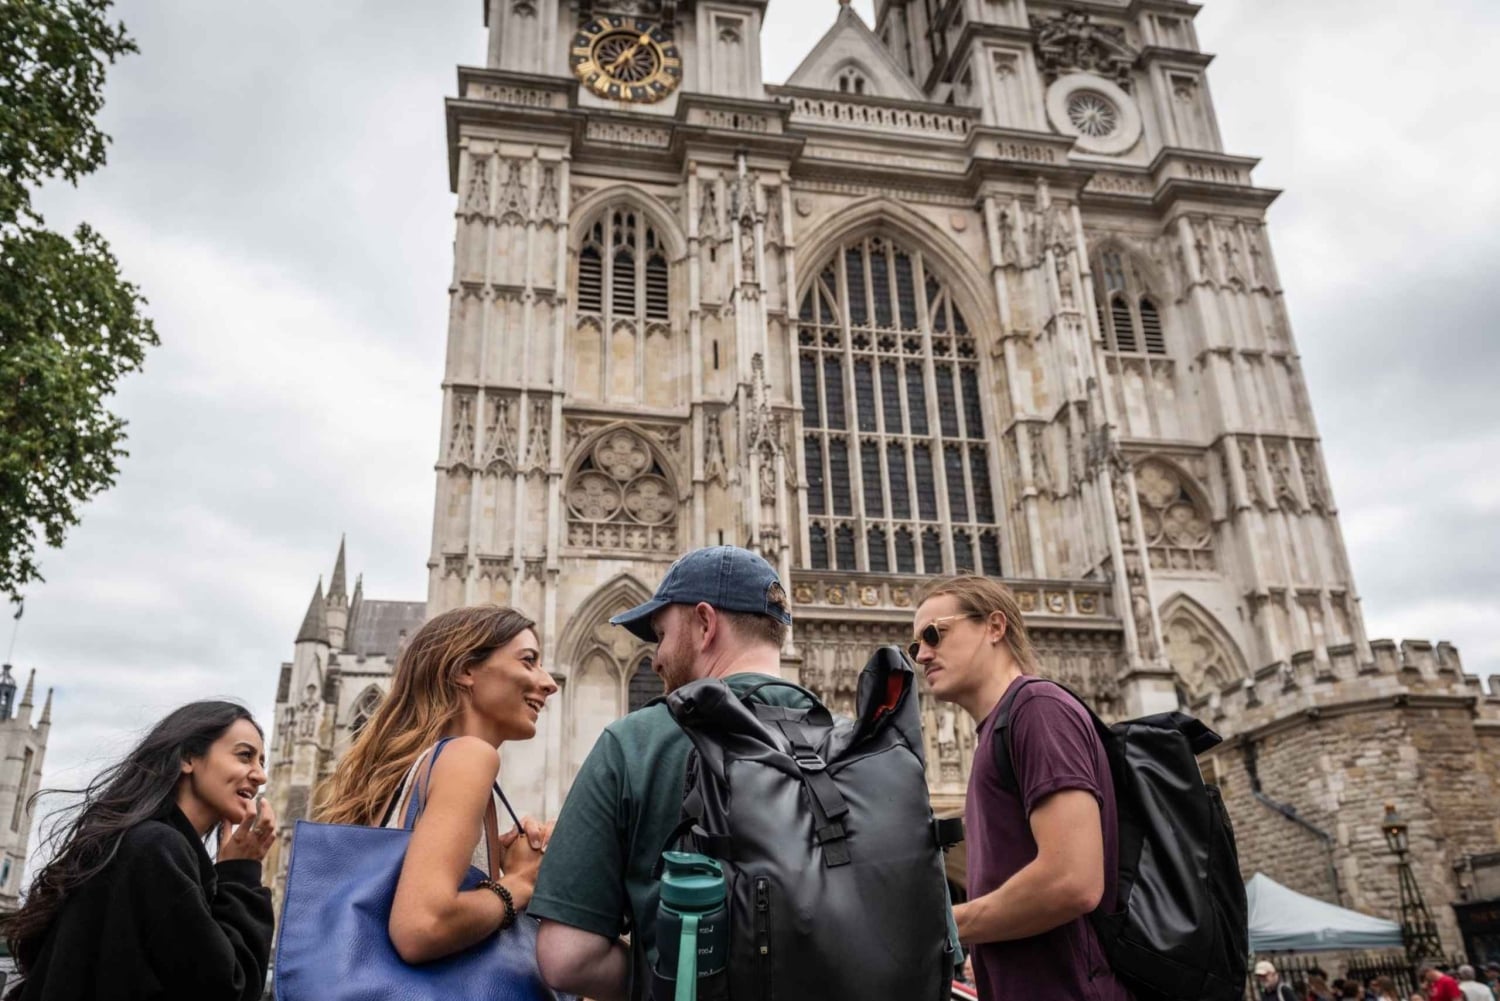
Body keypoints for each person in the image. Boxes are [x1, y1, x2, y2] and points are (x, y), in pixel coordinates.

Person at [531, 546, 804, 1001]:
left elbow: (566, 957)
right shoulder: (859, 745)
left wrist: (668, 976)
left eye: (659, 635)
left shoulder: (635, 743)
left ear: (704, 624)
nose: (655, 659)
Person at [912, 574, 1128, 1001]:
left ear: (995, 627)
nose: (922, 654)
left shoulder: (1037, 710)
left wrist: (940, 925)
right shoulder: (1002, 727)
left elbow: (1072, 880)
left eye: (935, 634)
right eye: (914, 645)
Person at [316, 604, 557, 963]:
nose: (549, 683)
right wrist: (524, 880)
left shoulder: (417, 769)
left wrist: (502, 867)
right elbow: (421, 928)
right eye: (528, 661)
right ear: (465, 671)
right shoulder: (469, 757)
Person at [2, 701, 277, 1000]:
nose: (260, 775)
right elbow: (226, 989)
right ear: (187, 757)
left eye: (262, 762)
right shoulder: (155, 849)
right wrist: (240, 876)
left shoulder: (140, 845)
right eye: (245, 756)